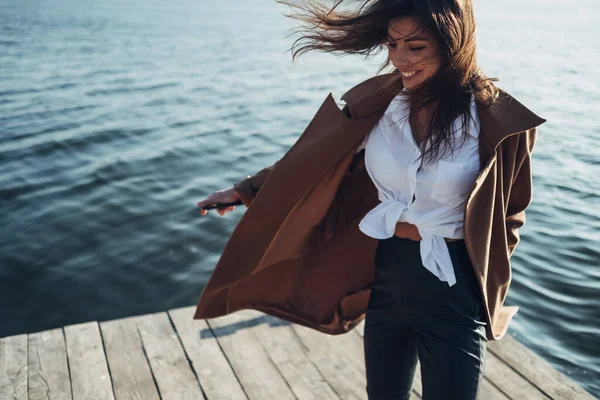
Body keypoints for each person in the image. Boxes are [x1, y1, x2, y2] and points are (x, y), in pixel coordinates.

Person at [196, 1, 546, 399]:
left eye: (416, 47)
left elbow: (511, 212)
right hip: (389, 273)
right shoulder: (381, 105)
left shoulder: (497, 122)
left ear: (455, 43)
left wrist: (486, 271)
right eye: (392, 44)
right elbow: (309, 162)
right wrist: (245, 191)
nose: (399, 59)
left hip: (454, 289)